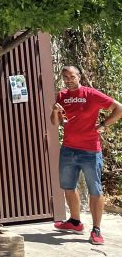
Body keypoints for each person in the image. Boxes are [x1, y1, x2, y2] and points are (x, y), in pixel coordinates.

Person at [51, 65, 122, 245]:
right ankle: (75, 222)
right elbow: (57, 122)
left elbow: (118, 108)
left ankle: (96, 230)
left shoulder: (91, 94)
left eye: (72, 76)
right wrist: (54, 111)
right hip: (68, 149)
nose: (68, 79)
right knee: (68, 186)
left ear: (79, 76)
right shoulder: (62, 96)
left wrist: (104, 124)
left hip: (90, 151)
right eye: (65, 76)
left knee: (95, 190)